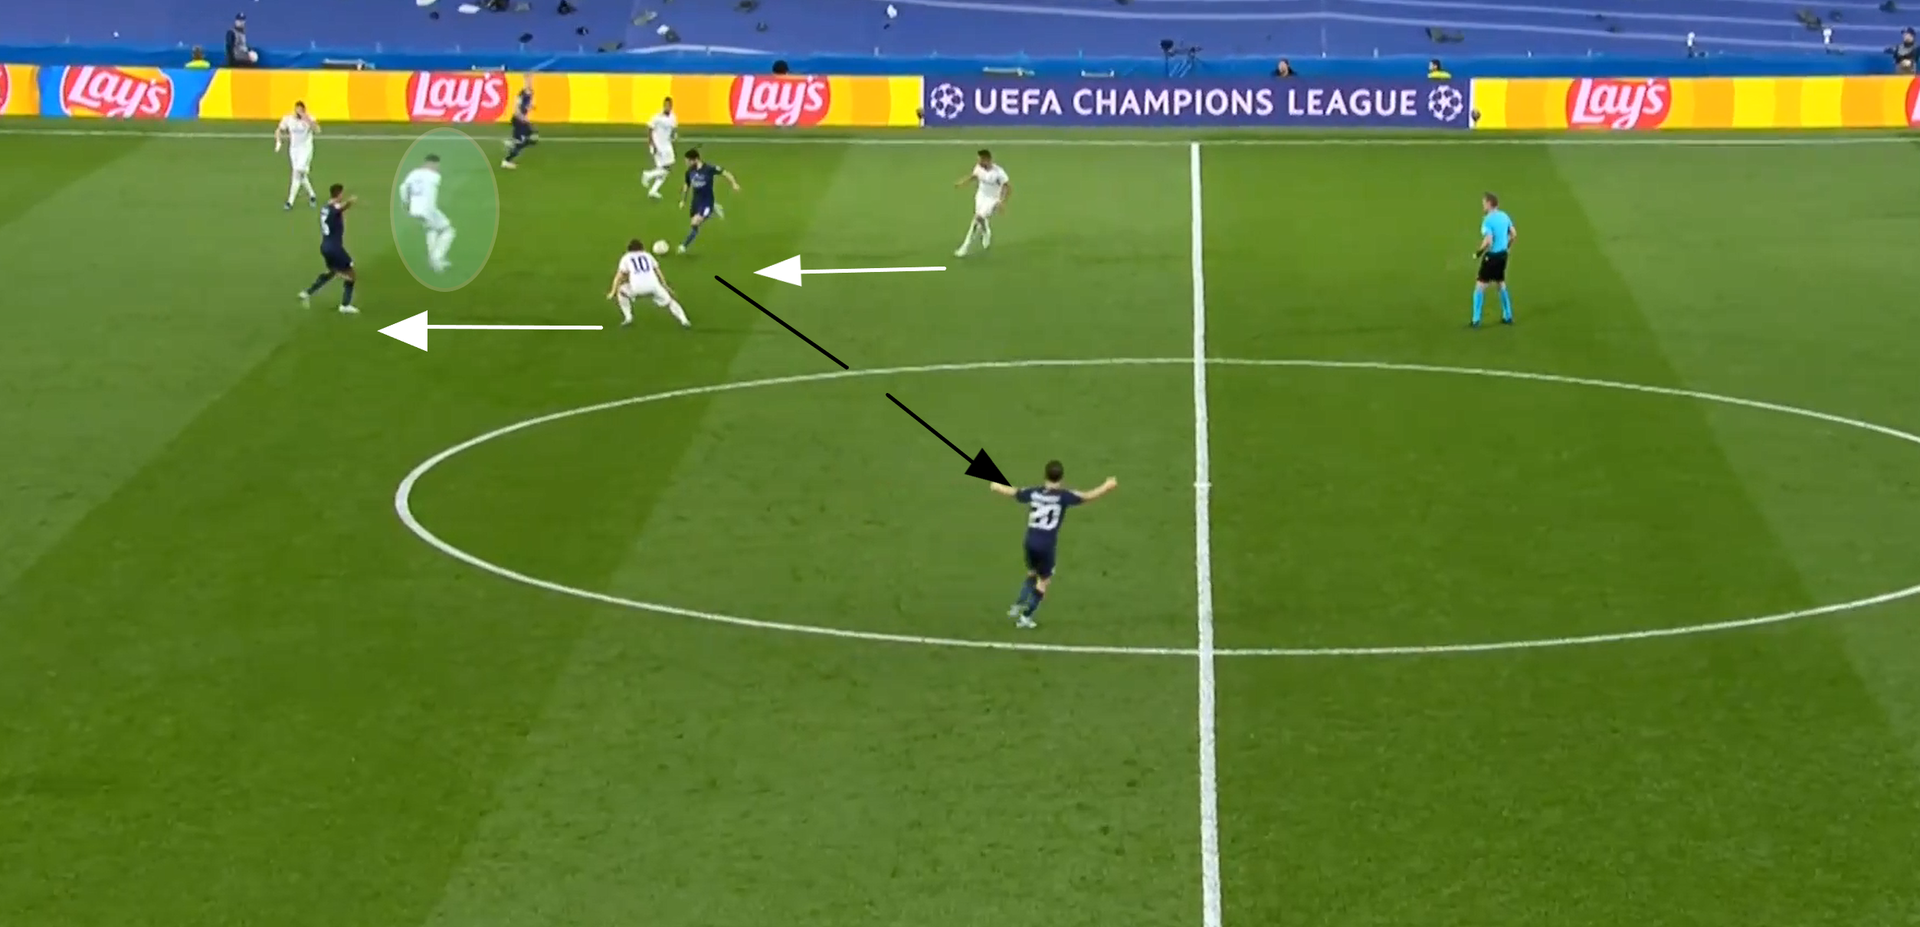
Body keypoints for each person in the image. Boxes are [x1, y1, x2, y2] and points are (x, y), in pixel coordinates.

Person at [989, 461, 1118, 629]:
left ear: (1045, 475)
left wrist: (997, 486)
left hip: (1029, 541)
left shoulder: (1034, 492)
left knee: (1032, 572)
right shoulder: (1063, 496)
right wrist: (1107, 486)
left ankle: (1017, 606)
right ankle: (1025, 618)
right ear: (1062, 478)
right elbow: (1088, 496)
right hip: (1046, 545)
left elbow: (1014, 492)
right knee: (1044, 581)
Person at [298, 184, 359, 315]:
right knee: (351, 274)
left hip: (325, 246)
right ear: (339, 194)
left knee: (331, 272)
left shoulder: (325, 208)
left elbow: (336, 209)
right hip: (335, 248)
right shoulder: (335, 208)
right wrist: (350, 202)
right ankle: (345, 305)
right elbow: (340, 208)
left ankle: (307, 292)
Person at [606, 239, 691, 329]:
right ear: (642, 248)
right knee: (670, 302)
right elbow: (658, 272)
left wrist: (612, 292)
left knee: (621, 290)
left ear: (628, 249)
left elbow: (618, 277)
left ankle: (628, 317)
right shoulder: (648, 255)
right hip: (654, 286)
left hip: (637, 288)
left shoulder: (626, 257)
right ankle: (684, 320)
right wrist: (665, 285)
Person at [399, 155, 455, 273]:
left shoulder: (414, 173)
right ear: (432, 163)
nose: (438, 167)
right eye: (437, 165)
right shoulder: (435, 176)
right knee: (448, 231)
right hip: (428, 210)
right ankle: (436, 259)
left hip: (414, 209)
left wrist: (406, 203)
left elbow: (403, 188)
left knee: (432, 229)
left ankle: (433, 260)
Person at [676, 149, 739, 254]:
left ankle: (683, 246)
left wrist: (734, 184)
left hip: (707, 201)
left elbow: (725, 173)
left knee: (696, 222)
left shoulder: (709, 168)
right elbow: (687, 185)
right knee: (694, 225)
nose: (687, 164)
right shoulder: (689, 172)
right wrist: (683, 200)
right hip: (696, 202)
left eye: (688, 161)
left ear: (695, 159)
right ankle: (713, 209)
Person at [954, 149, 1010, 258]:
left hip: (992, 199)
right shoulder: (979, 168)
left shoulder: (998, 173)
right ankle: (986, 231)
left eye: (980, 159)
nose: (978, 162)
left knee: (977, 218)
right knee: (980, 218)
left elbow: (1007, 187)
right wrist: (962, 182)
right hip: (980, 196)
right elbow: (974, 176)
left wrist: (1002, 202)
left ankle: (965, 247)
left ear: (987, 159)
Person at [1471, 192, 1516, 327]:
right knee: (1500, 283)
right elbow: (1513, 234)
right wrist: (1507, 247)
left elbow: (1489, 241)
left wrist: (1478, 253)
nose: (1483, 206)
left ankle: (1476, 320)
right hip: (1503, 256)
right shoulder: (1504, 216)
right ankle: (1508, 315)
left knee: (1480, 286)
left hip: (1491, 257)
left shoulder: (1488, 220)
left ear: (1489, 204)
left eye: (1484, 203)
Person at [275, 102, 319, 210]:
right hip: (294, 150)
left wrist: (306, 118)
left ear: (304, 110)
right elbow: (279, 130)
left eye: (300, 110)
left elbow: (317, 130)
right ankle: (312, 195)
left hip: (306, 149)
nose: (298, 112)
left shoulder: (309, 118)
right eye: (296, 110)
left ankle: (290, 201)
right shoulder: (288, 119)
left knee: (297, 173)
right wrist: (278, 142)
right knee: (300, 174)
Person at [640, 97, 678, 199]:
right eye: (666, 105)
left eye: (669, 105)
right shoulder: (657, 117)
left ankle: (653, 191)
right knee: (667, 169)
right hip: (658, 146)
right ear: (663, 106)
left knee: (663, 170)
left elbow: (673, 129)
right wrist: (652, 144)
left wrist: (674, 136)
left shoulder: (673, 117)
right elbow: (650, 129)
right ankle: (647, 175)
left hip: (667, 145)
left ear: (671, 106)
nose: (667, 107)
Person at [501, 80, 537, 169]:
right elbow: (517, 110)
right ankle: (507, 160)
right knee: (526, 140)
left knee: (531, 139)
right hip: (518, 121)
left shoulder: (530, 94)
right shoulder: (521, 96)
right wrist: (524, 119)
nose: (531, 83)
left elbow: (526, 106)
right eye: (529, 82)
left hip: (521, 121)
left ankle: (513, 142)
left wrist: (531, 107)